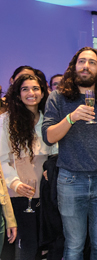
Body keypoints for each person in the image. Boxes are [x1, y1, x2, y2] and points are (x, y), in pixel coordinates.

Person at [42, 47, 97, 260]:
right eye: (81, 61)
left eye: (92, 62)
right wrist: (71, 118)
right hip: (70, 179)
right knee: (74, 246)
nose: (86, 66)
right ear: (74, 66)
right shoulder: (57, 98)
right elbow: (49, 136)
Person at [0, 74, 50, 259]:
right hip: (19, 193)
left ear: (43, 92)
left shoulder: (49, 119)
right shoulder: (6, 121)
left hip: (46, 194)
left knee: (43, 247)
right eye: (25, 89)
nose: (31, 93)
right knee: (25, 246)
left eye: (36, 88)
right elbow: (2, 159)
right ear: (17, 94)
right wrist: (15, 183)